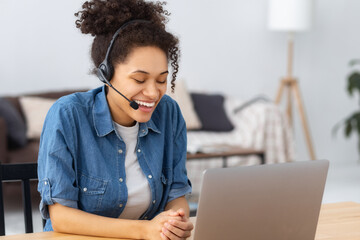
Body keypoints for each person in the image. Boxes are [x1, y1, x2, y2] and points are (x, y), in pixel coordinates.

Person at [37, 0, 193, 239]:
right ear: (105, 74)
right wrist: (144, 231)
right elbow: (61, 216)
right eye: (140, 80)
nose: (153, 93)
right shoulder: (68, 115)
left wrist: (174, 222)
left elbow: (176, 197)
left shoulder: (169, 113)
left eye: (161, 80)